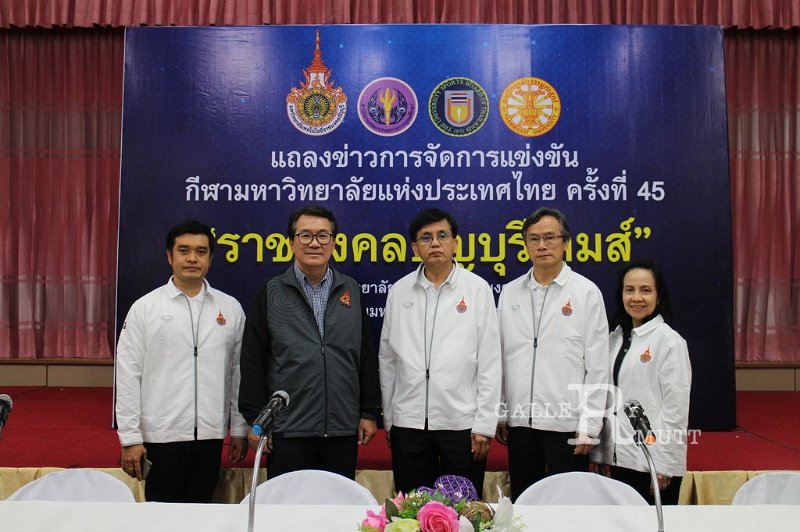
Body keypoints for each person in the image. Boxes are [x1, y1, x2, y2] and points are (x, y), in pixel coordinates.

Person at [238, 205, 380, 480]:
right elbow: (253, 359)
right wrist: (257, 419)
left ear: (334, 243)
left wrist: (368, 412)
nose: (315, 243)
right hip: (287, 429)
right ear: (291, 243)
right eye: (305, 235)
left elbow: (365, 355)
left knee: (337, 505)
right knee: (289, 505)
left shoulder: (351, 289)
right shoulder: (270, 292)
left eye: (323, 235)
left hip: (342, 429)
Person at [115, 220, 248, 503]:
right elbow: (128, 374)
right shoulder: (145, 308)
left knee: (202, 514)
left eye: (201, 252)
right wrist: (130, 437)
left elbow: (238, 373)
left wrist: (238, 429)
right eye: (184, 250)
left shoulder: (230, 308)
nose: (192, 259)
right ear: (169, 256)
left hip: (210, 437)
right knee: (162, 517)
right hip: (161, 436)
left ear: (211, 258)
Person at [379, 208, 502, 495]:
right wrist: (391, 419)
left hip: (461, 424)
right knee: (412, 509)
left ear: (455, 243)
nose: (435, 243)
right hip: (408, 423)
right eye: (426, 237)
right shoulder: (400, 291)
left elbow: (490, 360)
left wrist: (484, 424)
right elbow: (387, 358)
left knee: (463, 511)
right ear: (414, 248)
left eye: (442, 235)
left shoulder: (477, 289)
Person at [497, 207, 610, 501]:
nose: (542, 245)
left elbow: (598, 366)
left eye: (550, 237)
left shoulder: (586, 293)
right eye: (534, 239)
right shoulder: (510, 293)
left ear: (565, 243)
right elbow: (500, 359)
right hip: (520, 424)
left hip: (567, 425)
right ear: (525, 245)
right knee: (523, 505)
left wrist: (589, 426)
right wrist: (501, 412)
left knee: (568, 507)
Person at [592, 259, 691, 504]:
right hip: (618, 460)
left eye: (645, 290)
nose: (636, 298)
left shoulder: (669, 342)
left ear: (658, 296)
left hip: (651, 464)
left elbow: (676, 410)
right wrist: (602, 454)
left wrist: (665, 463)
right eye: (630, 290)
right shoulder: (615, 338)